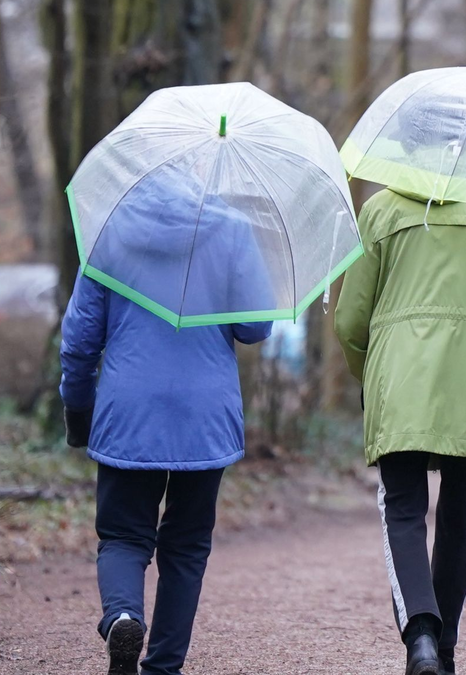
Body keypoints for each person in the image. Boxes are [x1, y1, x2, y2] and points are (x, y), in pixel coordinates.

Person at [60, 170, 273, 675]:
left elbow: (80, 340)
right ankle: (163, 667)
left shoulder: (108, 229)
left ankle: (123, 618)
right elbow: (255, 327)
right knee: (187, 544)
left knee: (123, 536)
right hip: (205, 415)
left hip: (129, 411)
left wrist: (77, 408)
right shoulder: (230, 227)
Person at [334, 184, 466, 675]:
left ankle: (420, 635)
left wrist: (370, 373)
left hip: (399, 378)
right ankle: (443, 652)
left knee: (402, 509)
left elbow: (351, 319)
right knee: (461, 512)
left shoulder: (378, 212)